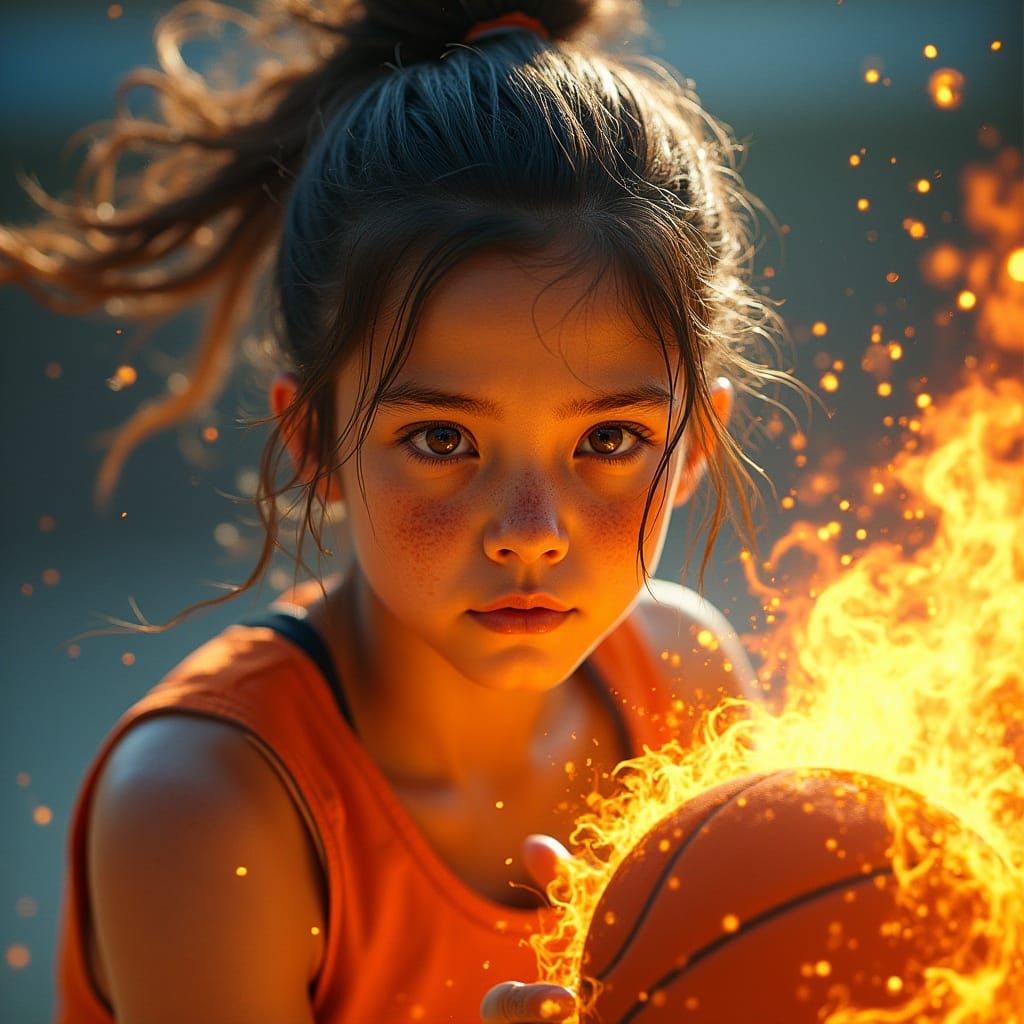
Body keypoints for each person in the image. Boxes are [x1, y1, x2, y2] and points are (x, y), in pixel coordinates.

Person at [2, 2, 791, 1021]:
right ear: (315, 441)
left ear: (696, 445)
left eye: (607, 441)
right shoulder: (206, 805)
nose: (529, 530)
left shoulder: (685, 681)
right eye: (442, 440)